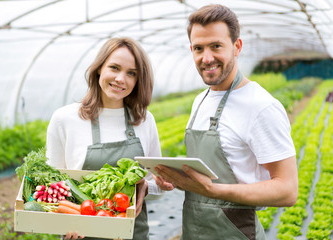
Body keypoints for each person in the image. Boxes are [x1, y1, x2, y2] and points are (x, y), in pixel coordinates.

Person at [154, 4, 298, 240]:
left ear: (237, 47)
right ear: (191, 49)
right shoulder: (201, 100)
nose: (207, 58)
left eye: (216, 46)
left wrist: (211, 190)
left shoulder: (260, 106)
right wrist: (178, 178)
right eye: (199, 48)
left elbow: (287, 190)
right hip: (194, 232)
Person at [46, 37, 164, 240]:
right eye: (114, 68)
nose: (121, 79)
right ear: (99, 68)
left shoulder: (144, 120)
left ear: (138, 80)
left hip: (133, 234)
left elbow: (157, 183)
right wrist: (64, 225)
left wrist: (146, 186)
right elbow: (52, 187)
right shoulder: (65, 119)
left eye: (131, 73)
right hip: (82, 234)